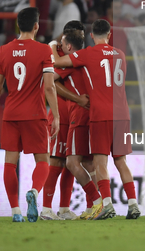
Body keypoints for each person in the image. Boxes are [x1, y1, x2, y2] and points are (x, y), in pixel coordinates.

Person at [50, 19, 140, 220]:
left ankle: (107, 205)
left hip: (100, 114)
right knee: (121, 161)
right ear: (109, 35)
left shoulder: (88, 54)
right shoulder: (121, 55)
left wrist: (52, 47)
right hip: (122, 114)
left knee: (100, 162)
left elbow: (56, 62)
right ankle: (133, 204)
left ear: (91, 36)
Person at [0, 7, 60, 223]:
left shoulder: (3, 50)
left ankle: (16, 211)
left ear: (18, 26)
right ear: (37, 26)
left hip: (11, 114)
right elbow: (48, 88)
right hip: (35, 114)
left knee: (10, 162)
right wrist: (56, 115)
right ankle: (34, 192)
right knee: (43, 161)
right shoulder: (44, 50)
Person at [41, 22, 93, 221]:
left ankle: (63, 208)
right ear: (66, 38)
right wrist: (53, 45)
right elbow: (49, 82)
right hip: (58, 116)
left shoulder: (70, 58)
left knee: (71, 162)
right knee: (56, 161)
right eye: (76, 35)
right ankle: (46, 208)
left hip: (72, 116)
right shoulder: (56, 55)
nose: (79, 39)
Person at [52, 27, 104, 219]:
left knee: (72, 163)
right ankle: (95, 207)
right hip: (95, 114)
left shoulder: (69, 62)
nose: (60, 47)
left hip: (79, 115)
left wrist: (50, 46)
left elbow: (49, 81)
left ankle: (98, 201)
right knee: (90, 164)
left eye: (62, 44)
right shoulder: (90, 59)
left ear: (68, 46)